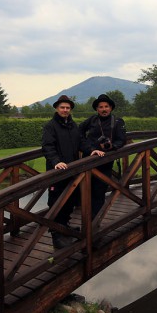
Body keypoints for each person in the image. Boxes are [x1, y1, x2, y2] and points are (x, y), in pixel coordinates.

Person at [41, 95, 88, 247]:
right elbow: (48, 147)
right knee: (56, 202)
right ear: (56, 108)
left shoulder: (73, 125)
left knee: (70, 200)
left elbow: (81, 143)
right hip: (58, 171)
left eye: (68, 108)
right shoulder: (50, 126)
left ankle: (65, 228)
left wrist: (93, 150)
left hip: (72, 171)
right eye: (62, 107)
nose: (65, 110)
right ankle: (56, 236)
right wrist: (56, 162)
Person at [80, 93, 127, 218]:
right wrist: (88, 147)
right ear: (97, 109)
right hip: (88, 159)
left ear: (111, 108)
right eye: (101, 107)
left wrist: (110, 147)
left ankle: (95, 221)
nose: (104, 109)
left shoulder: (117, 121)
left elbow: (121, 140)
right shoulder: (91, 120)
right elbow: (78, 132)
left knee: (99, 190)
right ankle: (86, 216)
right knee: (86, 189)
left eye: (106, 106)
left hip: (105, 162)